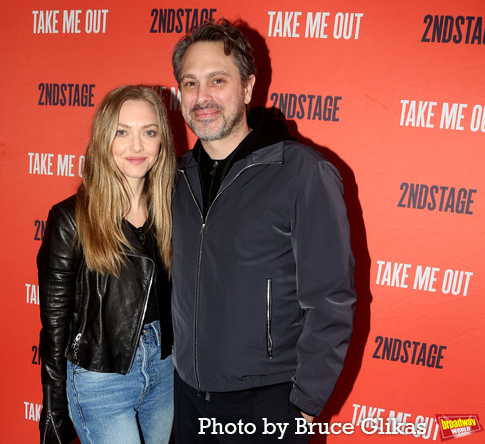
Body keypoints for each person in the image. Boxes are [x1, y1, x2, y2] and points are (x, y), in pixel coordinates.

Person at [170, 19, 356, 443]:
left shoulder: (302, 173)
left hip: (267, 403)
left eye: (218, 80)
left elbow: (331, 299)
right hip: (188, 399)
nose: (202, 98)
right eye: (190, 83)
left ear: (248, 87)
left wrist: (305, 404)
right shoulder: (176, 177)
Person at [37, 85, 176, 444]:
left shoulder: (173, 211)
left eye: (149, 132)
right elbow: (55, 327)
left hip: (163, 369)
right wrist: (53, 406)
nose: (136, 146)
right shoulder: (71, 219)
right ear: (103, 139)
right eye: (122, 132)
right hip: (101, 376)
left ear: (162, 141)